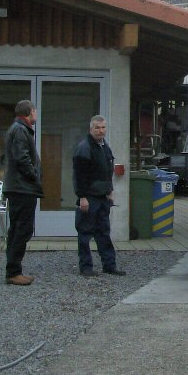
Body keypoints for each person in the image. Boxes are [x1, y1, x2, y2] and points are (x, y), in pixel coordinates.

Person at [73, 115, 125, 277]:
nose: (101, 131)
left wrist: (110, 192)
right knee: (85, 233)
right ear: (91, 129)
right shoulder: (84, 148)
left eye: (103, 127)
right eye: (97, 127)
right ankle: (86, 267)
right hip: (89, 198)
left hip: (103, 197)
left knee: (103, 233)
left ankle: (109, 265)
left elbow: (107, 172)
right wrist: (82, 197)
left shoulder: (105, 147)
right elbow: (79, 176)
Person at [3, 99, 43, 286]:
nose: (36, 114)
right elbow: (22, 157)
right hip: (22, 188)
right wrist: (33, 176)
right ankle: (14, 272)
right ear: (30, 111)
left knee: (16, 229)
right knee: (21, 230)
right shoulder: (20, 130)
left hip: (18, 187)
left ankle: (13, 270)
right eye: (35, 111)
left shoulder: (17, 128)